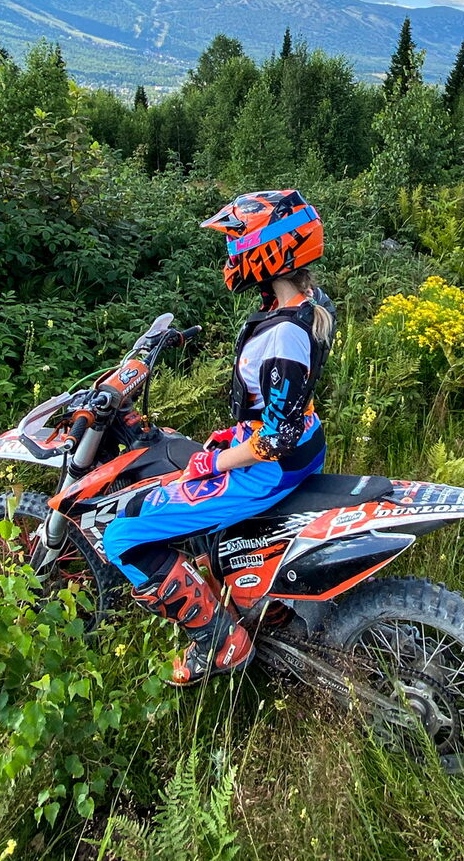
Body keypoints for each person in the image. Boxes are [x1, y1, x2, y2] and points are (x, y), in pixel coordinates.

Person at [102, 189, 335, 686]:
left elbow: (278, 434)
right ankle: (263, 610)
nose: (231, 254)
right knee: (197, 510)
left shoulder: (283, 334)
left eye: (237, 242)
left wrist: (215, 461)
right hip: (301, 447)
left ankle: (218, 641)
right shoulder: (304, 304)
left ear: (269, 248)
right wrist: (235, 431)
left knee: (122, 537)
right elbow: (284, 408)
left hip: (273, 465)